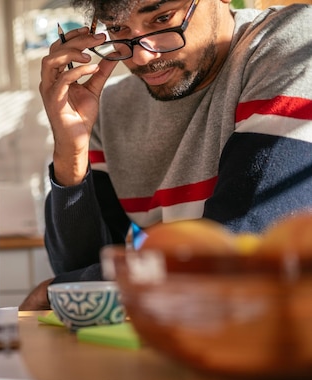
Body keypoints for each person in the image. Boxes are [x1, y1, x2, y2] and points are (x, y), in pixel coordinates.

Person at [20, 0, 312, 310]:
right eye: (118, 28)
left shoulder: (296, 42)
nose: (144, 56)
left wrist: (73, 285)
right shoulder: (108, 112)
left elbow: (242, 251)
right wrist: (70, 149)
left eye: (162, 18)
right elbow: (84, 282)